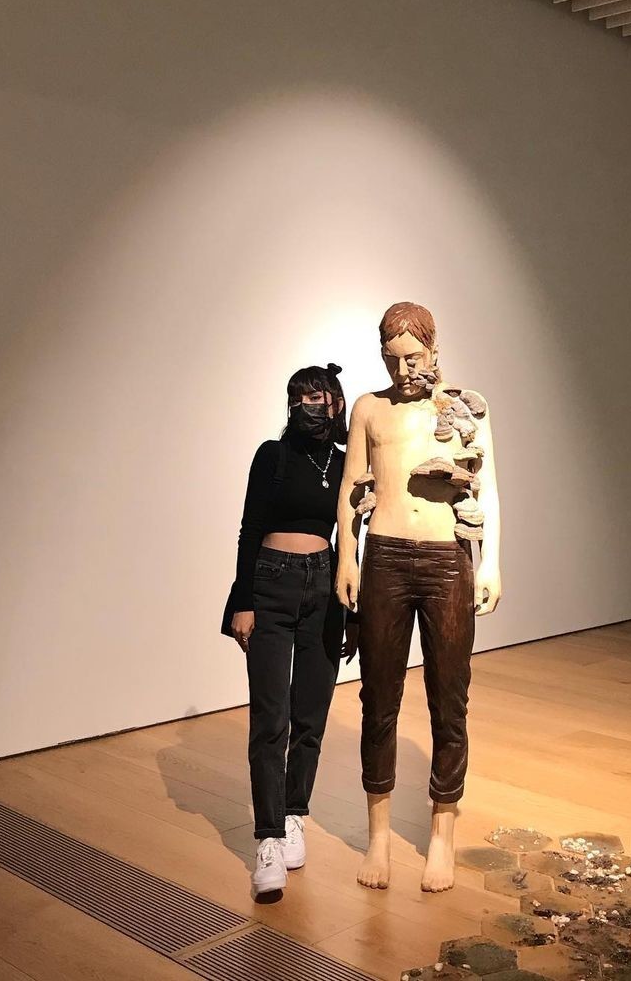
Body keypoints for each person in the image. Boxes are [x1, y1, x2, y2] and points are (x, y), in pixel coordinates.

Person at [336, 302, 503, 893]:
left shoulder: (463, 409)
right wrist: (347, 557)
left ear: (434, 349)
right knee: (378, 697)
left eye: (413, 357)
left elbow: (489, 485)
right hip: (384, 556)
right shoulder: (369, 408)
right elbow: (351, 485)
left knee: (449, 699)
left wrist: (491, 562)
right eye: (392, 359)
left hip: (446, 559)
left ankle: (441, 834)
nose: (403, 369)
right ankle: (378, 836)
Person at [226, 363, 356, 897]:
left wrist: (353, 612)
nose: (309, 406)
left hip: (325, 588)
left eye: (318, 397)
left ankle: (295, 813)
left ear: (337, 404)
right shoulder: (272, 456)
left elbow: (352, 543)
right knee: (270, 718)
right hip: (271, 585)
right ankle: (268, 836)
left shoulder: (346, 465)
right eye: (299, 397)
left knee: (311, 715)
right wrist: (243, 602)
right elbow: (250, 528)